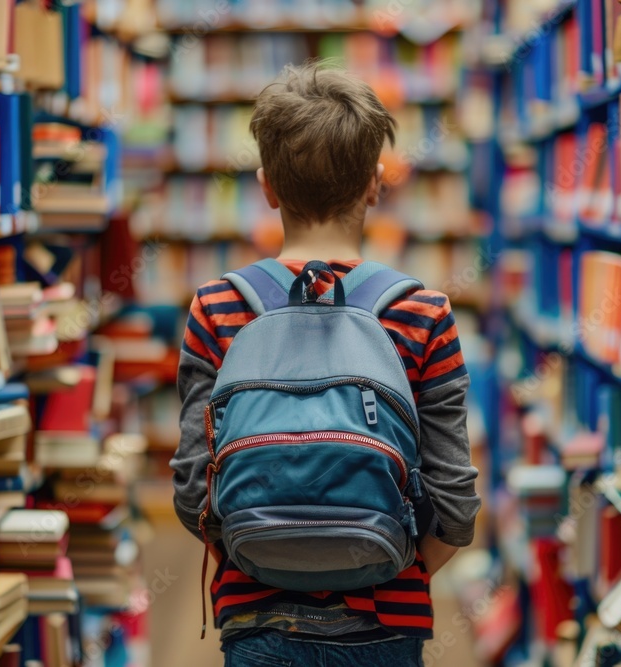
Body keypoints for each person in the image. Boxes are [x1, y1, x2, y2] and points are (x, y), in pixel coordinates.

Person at [171, 60, 481, 667]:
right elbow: (456, 506)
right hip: (386, 623)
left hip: (255, 617)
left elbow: (192, 493)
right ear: (374, 183)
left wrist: (266, 548)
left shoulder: (216, 308)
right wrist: (388, 563)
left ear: (266, 187)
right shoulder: (423, 313)